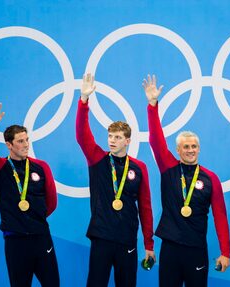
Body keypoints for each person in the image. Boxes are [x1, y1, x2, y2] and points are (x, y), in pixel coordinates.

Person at [143, 75, 230, 287]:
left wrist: (225, 252)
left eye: (194, 146)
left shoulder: (211, 178)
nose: (190, 150)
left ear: (199, 148)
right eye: (186, 147)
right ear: (178, 150)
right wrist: (152, 106)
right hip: (171, 247)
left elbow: (220, 215)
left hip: (196, 249)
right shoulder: (169, 168)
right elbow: (155, 140)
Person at [76, 73, 155, 287]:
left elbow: (145, 207)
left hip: (127, 239)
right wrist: (83, 100)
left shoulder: (139, 168)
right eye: (110, 136)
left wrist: (149, 243)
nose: (112, 140)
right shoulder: (98, 159)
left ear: (127, 140)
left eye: (118, 137)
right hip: (101, 237)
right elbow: (82, 136)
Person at [0, 99, 60, 287]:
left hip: (41, 237)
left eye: (27, 140)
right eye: (20, 141)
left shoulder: (41, 167)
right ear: (9, 144)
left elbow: (52, 202)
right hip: (15, 241)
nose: (26, 144)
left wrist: (33, 218)